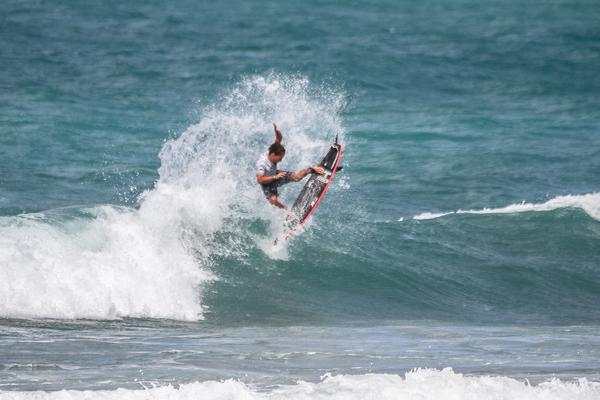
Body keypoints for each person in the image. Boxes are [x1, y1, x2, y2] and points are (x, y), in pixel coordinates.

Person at [256, 123, 324, 208]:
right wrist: (274, 177)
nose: (280, 160)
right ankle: (286, 211)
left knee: (296, 177)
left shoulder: (273, 150)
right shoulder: (262, 164)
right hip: (267, 183)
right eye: (279, 158)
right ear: (273, 155)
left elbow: (278, 139)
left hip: (276, 174)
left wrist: (277, 132)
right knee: (273, 200)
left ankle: (312, 169)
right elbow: (260, 179)